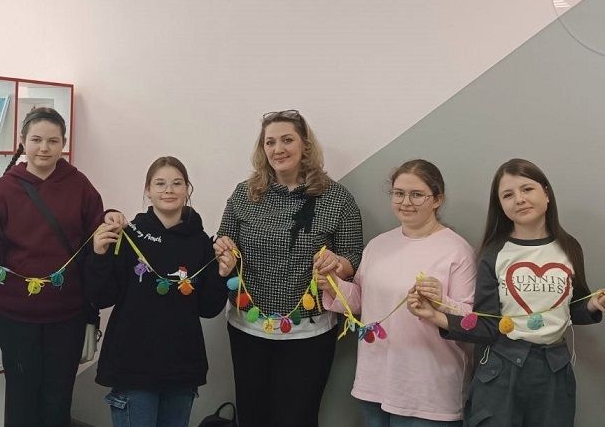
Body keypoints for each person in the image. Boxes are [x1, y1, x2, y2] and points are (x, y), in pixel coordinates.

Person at [408, 158, 605, 426]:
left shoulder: (569, 247)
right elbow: (487, 325)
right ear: (500, 205)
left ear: (546, 193)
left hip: (554, 373)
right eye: (508, 195)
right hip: (501, 371)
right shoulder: (494, 253)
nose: (519, 199)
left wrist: (593, 304)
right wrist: (436, 316)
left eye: (527, 189)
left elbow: (569, 310)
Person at [214, 109, 364, 427]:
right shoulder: (244, 193)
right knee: (252, 416)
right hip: (248, 326)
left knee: (298, 417)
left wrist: (337, 264)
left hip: (309, 331)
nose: (278, 149)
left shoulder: (337, 198)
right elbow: (225, 244)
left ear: (305, 145)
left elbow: (353, 257)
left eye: (287, 140)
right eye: (270, 142)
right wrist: (224, 254)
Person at [0, 107, 119, 427]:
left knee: (58, 399)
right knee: (21, 399)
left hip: (66, 316)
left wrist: (111, 221)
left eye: (53, 141)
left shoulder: (79, 185)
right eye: (36, 139)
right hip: (16, 316)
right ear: (23, 141)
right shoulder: (3, 189)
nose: (44, 148)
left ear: (63, 144)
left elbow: (94, 241)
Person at [319, 159, 475, 426]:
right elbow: (361, 302)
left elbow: (470, 320)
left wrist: (441, 301)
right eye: (399, 193)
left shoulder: (457, 250)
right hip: (375, 381)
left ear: (437, 199)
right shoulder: (378, 245)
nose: (406, 202)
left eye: (417, 195)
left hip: (428, 389)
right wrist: (332, 283)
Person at [87, 156, 237, 427]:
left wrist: (222, 275)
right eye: (160, 183)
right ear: (148, 190)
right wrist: (99, 254)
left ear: (187, 189)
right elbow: (101, 297)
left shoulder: (202, 243)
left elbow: (207, 309)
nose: (169, 190)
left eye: (177, 183)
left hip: (181, 370)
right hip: (132, 367)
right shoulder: (129, 236)